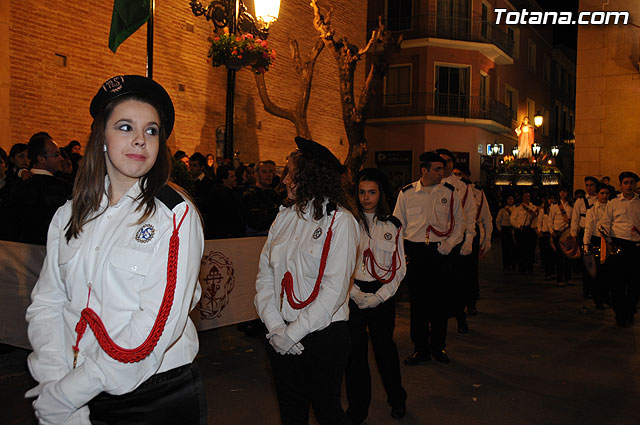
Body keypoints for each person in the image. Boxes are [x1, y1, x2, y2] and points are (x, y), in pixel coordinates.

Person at [25, 75, 207, 425]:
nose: (140, 139)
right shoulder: (69, 213)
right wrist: (54, 380)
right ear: (102, 139)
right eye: (125, 127)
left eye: (152, 131)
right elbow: (48, 303)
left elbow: (150, 333)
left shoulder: (175, 215)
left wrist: (68, 394)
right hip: (76, 389)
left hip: (156, 396)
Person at [254, 136, 359, 425]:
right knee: (291, 413)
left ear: (311, 177)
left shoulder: (341, 222)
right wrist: (276, 328)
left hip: (324, 336)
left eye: (291, 173)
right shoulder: (284, 217)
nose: (285, 180)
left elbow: (334, 291)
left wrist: (292, 335)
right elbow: (265, 277)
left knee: (328, 412)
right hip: (280, 333)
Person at [345, 168, 407, 424]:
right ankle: (358, 408)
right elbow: (340, 265)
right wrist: (354, 293)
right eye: (361, 192)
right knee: (354, 355)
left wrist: (380, 296)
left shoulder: (392, 225)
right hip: (353, 293)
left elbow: (400, 267)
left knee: (385, 351)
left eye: (371, 192)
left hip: (381, 294)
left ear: (380, 193)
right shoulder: (347, 223)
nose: (366, 198)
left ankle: (397, 399)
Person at [394, 152, 465, 365]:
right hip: (416, 252)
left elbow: (460, 224)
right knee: (418, 304)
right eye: (436, 169)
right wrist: (401, 255)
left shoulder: (449, 192)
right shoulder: (406, 193)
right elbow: (398, 226)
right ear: (423, 170)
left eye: (442, 169)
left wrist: (450, 245)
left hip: (440, 252)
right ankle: (420, 349)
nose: (441, 173)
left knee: (440, 303)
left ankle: (438, 347)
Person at [435, 149, 475, 335]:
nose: (444, 165)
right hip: (434, 241)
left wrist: (468, 240)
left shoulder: (463, 187)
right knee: (436, 286)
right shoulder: (428, 185)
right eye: (441, 161)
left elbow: (469, 215)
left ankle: (461, 317)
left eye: (448, 161)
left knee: (457, 283)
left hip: (456, 240)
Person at [11, 132, 73, 244]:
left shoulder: (16, 185)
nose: (61, 159)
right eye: (56, 155)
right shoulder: (62, 188)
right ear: (41, 159)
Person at [597, 171, 640, 327]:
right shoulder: (613, 203)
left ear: (636, 185)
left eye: (632, 183)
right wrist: (608, 240)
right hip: (618, 246)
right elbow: (603, 223)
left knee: (635, 284)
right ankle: (620, 314)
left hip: (636, 248)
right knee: (617, 283)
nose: (629, 185)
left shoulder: (639, 202)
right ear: (621, 185)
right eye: (626, 182)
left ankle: (630, 311)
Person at [453, 163, 492, 316]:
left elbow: (486, 218)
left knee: (470, 272)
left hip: (471, 233)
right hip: (453, 234)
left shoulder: (477, 192)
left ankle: (471, 302)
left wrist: (487, 239)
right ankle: (455, 304)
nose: (458, 177)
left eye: (460, 174)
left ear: (467, 176)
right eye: (455, 174)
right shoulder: (449, 190)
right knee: (454, 271)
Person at [583, 184, 611, 310]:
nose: (604, 196)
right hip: (597, 241)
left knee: (609, 271)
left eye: (607, 193)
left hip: (610, 241)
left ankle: (607, 297)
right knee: (597, 272)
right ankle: (598, 299)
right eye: (602, 193)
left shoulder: (613, 207)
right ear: (598, 194)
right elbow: (588, 228)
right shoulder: (592, 209)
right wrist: (586, 244)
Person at [571, 176, 599, 298]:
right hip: (584, 233)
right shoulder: (580, 201)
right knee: (586, 262)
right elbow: (575, 218)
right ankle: (586, 288)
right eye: (587, 185)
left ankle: (597, 288)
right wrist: (573, 233)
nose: (589, 188)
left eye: (591, 185)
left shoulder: (600, 199)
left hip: (597, 234)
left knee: (598, 262)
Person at [242, 160, 282, 236]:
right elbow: (256, 222)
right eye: (264, 172)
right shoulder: (250, 195)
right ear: (256, 174)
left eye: (271, 171)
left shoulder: (275, 194)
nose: (268, 175)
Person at [549, 187, 573, 287]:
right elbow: (550, 220)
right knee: (559, 258)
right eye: (561, 192)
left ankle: (567, 278)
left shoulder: (572, 206)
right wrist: (551, 231)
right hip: (557, 233)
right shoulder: (554, 206)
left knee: (568, 257)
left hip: (567, 234)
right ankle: (559, 279)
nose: (563, 193)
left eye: (564, 191)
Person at [511, 191, 538, 274]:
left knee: (531, 250)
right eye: (525, 196)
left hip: (530, 230)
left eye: (528, 196)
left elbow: (537, 218)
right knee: (521, 249)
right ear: (522, 198)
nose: (527, 198)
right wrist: (518, 226)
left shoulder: (533, 207)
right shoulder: (517, 208)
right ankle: (522, 267)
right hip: (521, 230)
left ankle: (530, 268)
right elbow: (512, 219)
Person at [496, 195, 517, 270]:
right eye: (509, 199)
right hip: (505, 229)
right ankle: (506, 264)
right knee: (505, 248)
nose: (510, 201)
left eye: (512, 199)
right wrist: (500, 229)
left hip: (513, 228)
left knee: (514, 248)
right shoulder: (502, 210)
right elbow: (498, 221)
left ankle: (513, 264)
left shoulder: (515, 209)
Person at [538, 196, 556, 281]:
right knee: (546, 254)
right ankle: (547, 272)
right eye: (549, 199)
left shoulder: (555, 209)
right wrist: (539, 231)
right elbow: (539, 221)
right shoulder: (542, 210)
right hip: (544, 234)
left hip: (552, 233)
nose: (551, 200)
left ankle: (552, 271)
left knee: (553, 254)